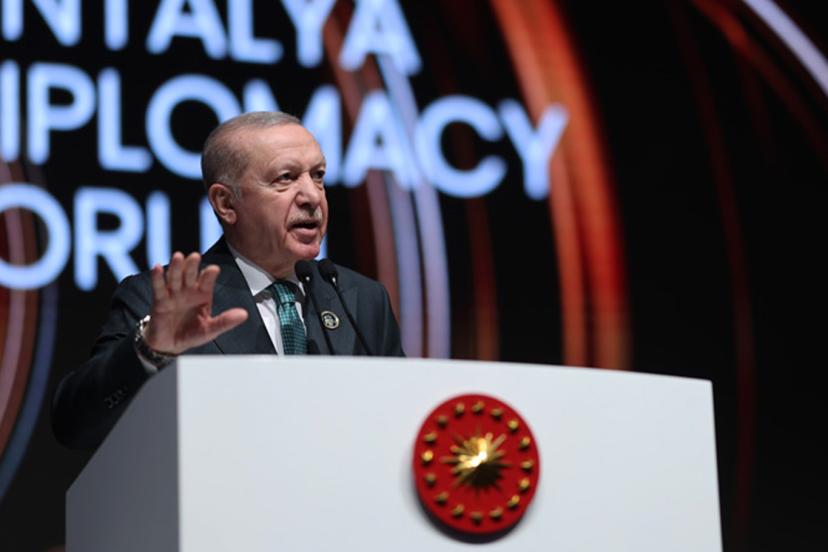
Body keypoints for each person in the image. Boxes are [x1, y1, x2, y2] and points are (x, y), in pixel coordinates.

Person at [52, 112, 404, 450]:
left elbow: (400, 420)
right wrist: (151, 349)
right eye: (285, 178)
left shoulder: (360, 299)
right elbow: (75, 426)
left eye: (318, 175)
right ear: (226, 203)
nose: (312, 196)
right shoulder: (161, 301)